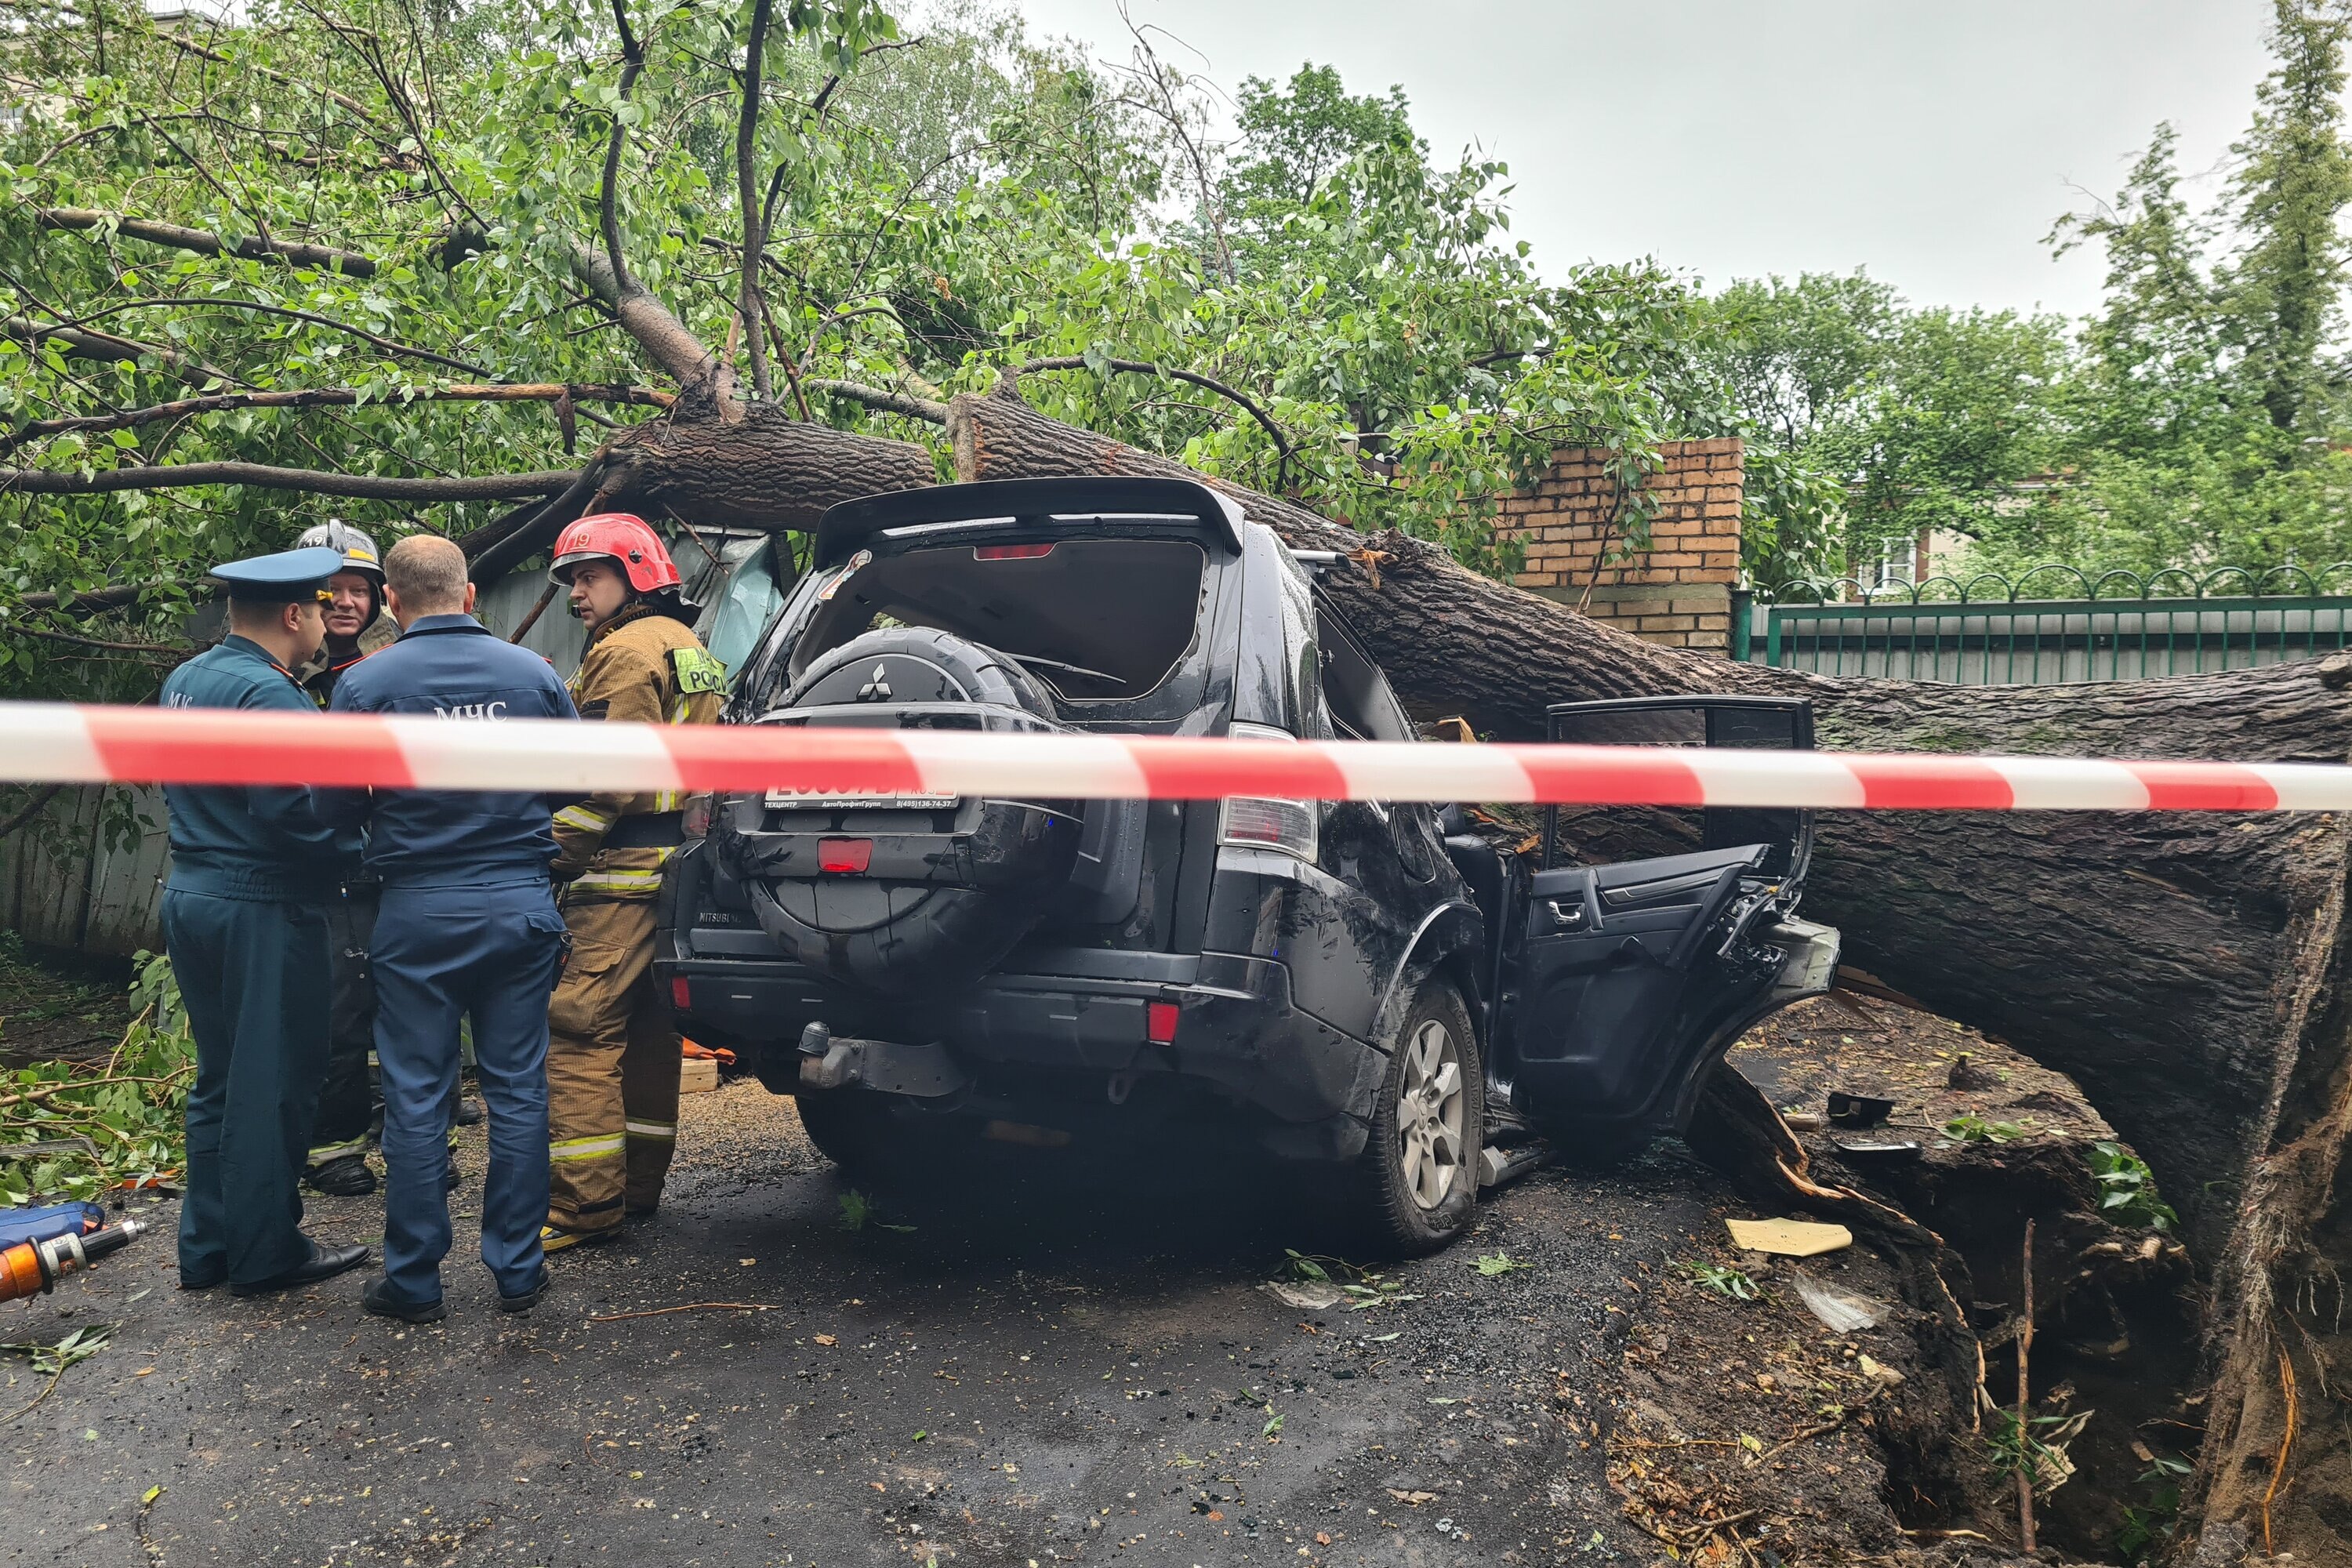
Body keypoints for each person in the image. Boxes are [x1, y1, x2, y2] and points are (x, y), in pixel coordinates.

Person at [316, 535, 576, 1322]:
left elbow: (334, 808)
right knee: (518, 1088)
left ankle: (415, 1281)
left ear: (392, 603)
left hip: (418, 912)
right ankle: (518, 1271)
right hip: (517, 903)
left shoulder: (364, 683)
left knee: (418, 1095)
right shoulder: (533, 674)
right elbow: (571, 778)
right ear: (470, 596)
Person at [160, 545, 373, 1298]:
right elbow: (294, 812)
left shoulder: (186, 680)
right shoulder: (270, 696)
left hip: (193, 895)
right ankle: (266, 1253)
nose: (326, 622)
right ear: (293, 615)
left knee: (219, 1078)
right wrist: (358, 849)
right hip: (262, 902)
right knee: (272, 1080)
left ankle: (209, 1248)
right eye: (319, 609)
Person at [539, 514, 726, 1252]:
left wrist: (550, 853)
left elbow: (604, 784)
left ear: (637, 572)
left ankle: (586, 1210)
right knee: (649, 1032)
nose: (576, 594)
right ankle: (639, 1187)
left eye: (589, 576)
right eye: (571, 582)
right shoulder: (691, 647)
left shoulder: (621, 653)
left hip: (619, 874)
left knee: (579, 1029)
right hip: (681, 872)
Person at [290, 520, 399, 1199]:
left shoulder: (393, 665)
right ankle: (333, 1149)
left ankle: (414, 1129)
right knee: (335, 1014)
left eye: (359, 589)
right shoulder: (281, 674)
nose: (345, 602)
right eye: (331, 591)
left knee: (407, 1007)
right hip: (321, 870)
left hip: (393, 864)